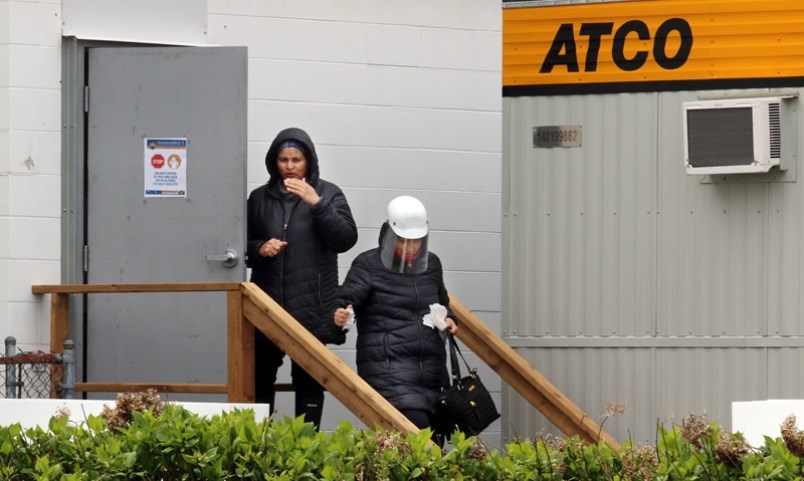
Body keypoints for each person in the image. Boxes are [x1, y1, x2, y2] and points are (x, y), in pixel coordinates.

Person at [247, 127, 358, 430]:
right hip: (266, 306)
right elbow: (240, 246)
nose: (290, 165)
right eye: (283, 159)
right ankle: (259, 446)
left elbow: (346, 238)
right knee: (259, 379)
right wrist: (259, 247)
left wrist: (317, 203)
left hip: (311, 306)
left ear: (309, 161)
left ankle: (304, 450)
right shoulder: (258, 198)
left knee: (309, 380)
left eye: (297, 159)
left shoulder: (329, 193)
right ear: (274, 161)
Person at [333, 195, 458, 440]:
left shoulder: (432, 264)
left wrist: (451, 318)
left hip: (430, 371)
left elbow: (441, 302)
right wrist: (340, 315)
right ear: (389, 234)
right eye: (402, 240)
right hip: (388, 368)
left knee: (434, 436)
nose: (410, 248)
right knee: (416, 432)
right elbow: (346, 299)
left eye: (416, 241)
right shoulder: (368, 264)